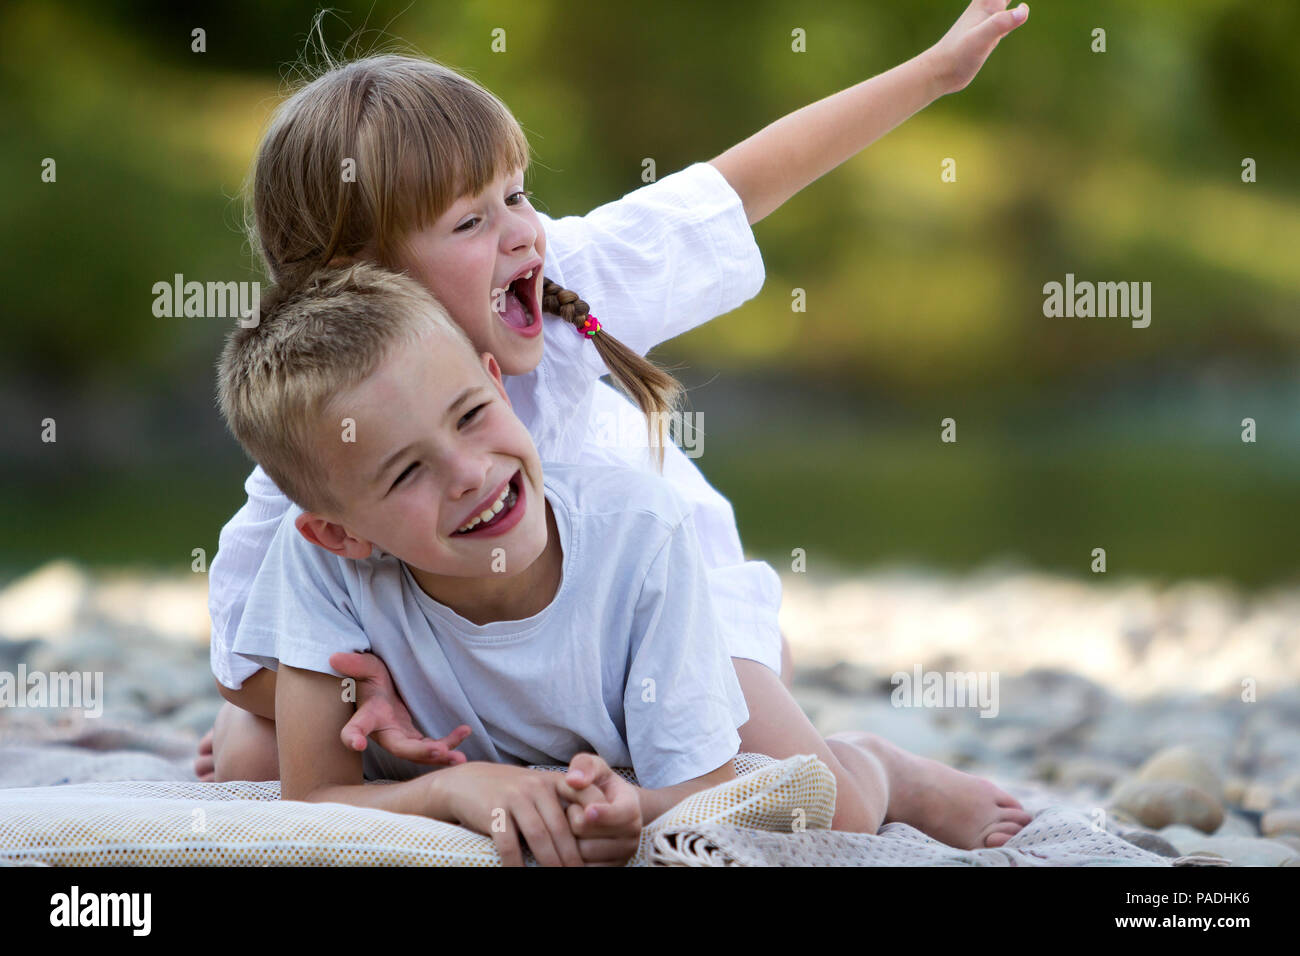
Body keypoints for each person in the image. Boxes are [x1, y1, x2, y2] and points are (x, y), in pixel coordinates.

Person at [201, 1, 1034, 851]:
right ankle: (528, 760)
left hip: (660, 600)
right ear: (359, 275)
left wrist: (936, 71)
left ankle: (884, 767)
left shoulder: (565, 278)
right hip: (471, 644)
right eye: (470, 220)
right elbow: (244, 653)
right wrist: (367, 697)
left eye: (515, 194)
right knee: (246, 760)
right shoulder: (326, 432)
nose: (522, 232)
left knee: (814, 800)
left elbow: (737, 187)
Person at [218, 262, 1027, 865]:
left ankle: (885, 768)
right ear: (342, 535)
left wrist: (634, 805)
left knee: (825, 812)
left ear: (497, 382)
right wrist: (453, 789)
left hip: (633, 729)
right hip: (456, 750)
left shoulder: (638, 533)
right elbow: (313, 796)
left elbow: (711, 787)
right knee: (246, 762)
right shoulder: (320, 568)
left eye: (471, 416)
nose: (469, 473)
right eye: (405, 473)